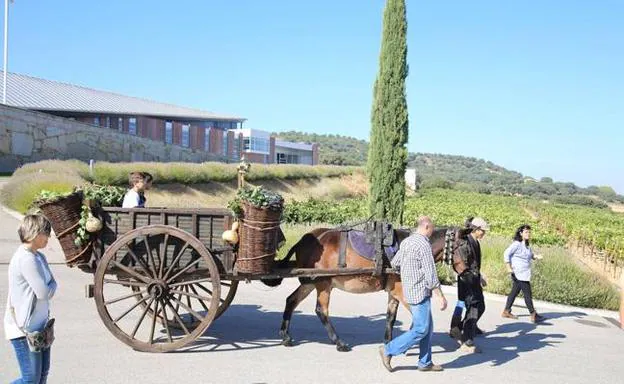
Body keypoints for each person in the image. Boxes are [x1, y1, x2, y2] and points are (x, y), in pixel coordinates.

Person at [378, 216, 447, 373]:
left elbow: (395, 262)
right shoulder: (423, 244)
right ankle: (388, 350)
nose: (432, 232)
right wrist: (440, 295)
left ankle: (425, 362)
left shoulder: (407, 242)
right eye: (432, 229)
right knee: (421, 329)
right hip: (420, 293)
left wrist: (409, 272)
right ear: (427, 227)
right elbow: (430, 273)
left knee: (428, 328)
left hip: (410, 290)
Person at [4, 214, 57, 384]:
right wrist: (50, 287)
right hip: (24, 330)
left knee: (41, 377)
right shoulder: (25, 259)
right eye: (46, 233)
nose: (49, 237)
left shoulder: (39, 257)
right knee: (31, 380)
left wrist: (50, 286)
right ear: (35, 233)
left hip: (41, 328)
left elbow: (52, 284)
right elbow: (44, 292)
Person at [453, 216, 489, 353]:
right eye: (483, 231)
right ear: (477, 229)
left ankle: (460, 328)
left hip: (474, 279)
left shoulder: (475, 242)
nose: (484, 233)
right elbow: (464, 263)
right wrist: (473, 276)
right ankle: (467, 339)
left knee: (479, 306)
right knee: (473, 307)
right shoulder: (466, 241)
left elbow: (475, 264)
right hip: (467, 279)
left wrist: (480, 277)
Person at [501, 224, 545, 323]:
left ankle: (506, 311)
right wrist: (508, 267)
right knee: (527, 294)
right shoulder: (516, 244)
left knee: (514, 292)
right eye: (526, 232)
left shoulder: (526, 245)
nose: (528, 234)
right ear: (521, 233)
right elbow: (506, 253)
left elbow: (529, 255)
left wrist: (536, 256)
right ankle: (533, 314)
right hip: (518, 273)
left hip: (524, 273)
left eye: (529, 232)